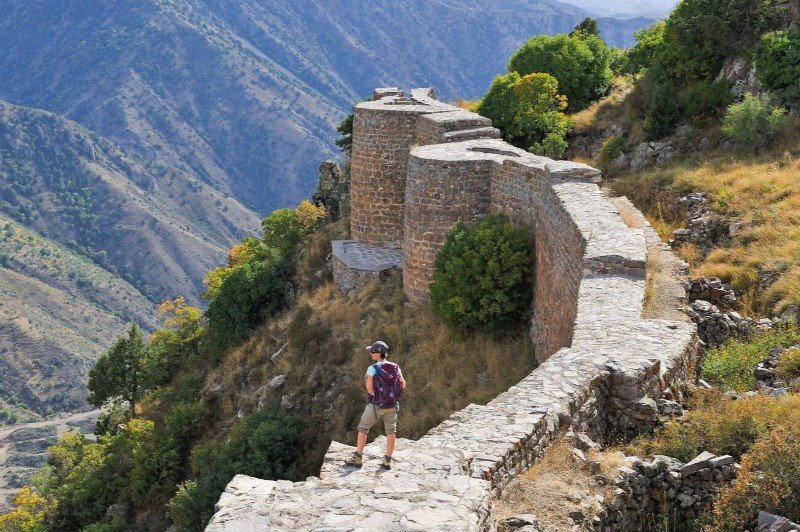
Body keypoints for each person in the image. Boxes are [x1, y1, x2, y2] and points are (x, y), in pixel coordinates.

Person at [345, 340, 406, 469]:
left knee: (363, 428)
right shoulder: (396, 367)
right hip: (392, 405)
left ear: (378, 354)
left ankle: (358, 457)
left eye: (372, 352)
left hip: (376, 404)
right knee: (391, 431)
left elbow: (368, 388)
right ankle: (387, 460)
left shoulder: (372, 368)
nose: (370, 353)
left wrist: (377, 395)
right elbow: (403, 384)